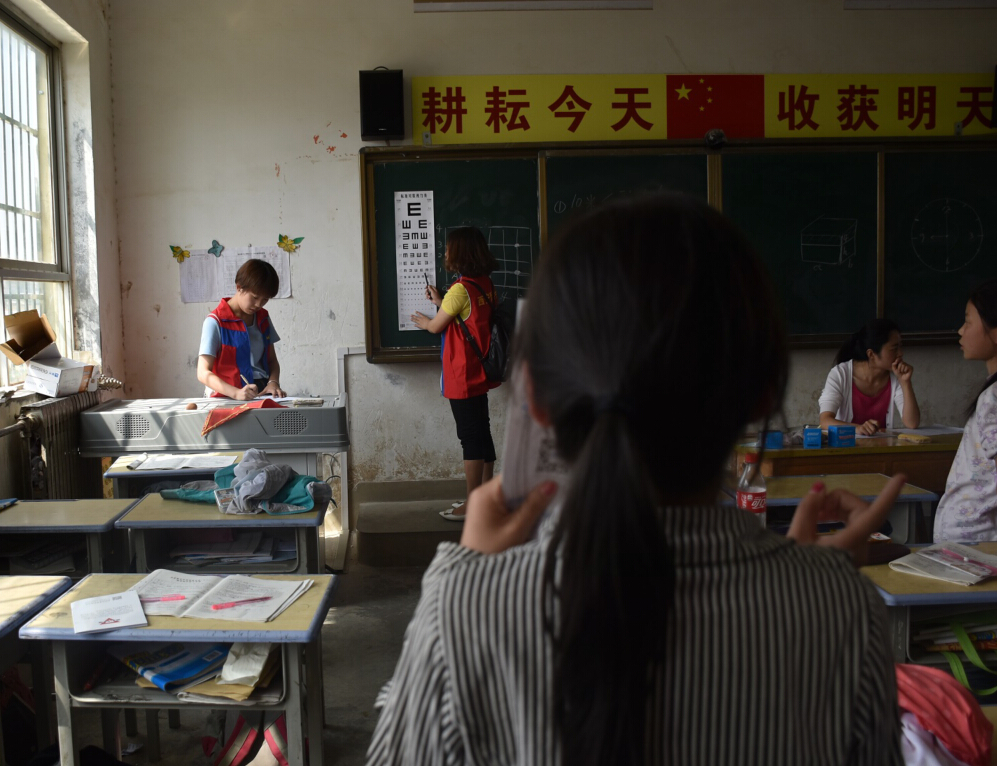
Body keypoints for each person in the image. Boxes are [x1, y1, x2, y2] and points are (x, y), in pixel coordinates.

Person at [369, 195, 903, 766]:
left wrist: (466, 584)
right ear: (764, 394)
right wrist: (808, 587)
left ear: (538, 401)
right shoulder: (842, 606)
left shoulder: (466, 609)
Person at [410, 227, 500, 522]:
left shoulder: (460, 289)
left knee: (470, 437)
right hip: (480, 370)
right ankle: (485, 500)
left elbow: (437, 326)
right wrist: (441, 302)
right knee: (482, 432)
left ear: (460, 252)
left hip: (462, 373)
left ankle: (474, 506)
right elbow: (465, 316)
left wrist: (426, 321)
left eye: (449, 248)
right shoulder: (483, 283)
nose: (445, 253)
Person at [933, 280, 997, 542]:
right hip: (973, 537)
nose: (961, 330)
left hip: (976, 540)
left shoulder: (994, 397)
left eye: (968, 322)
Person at [196, 259, 287, 400]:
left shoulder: (263, 318)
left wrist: (273, 382)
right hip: (225, 396)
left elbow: (272, 361)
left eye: (265, 299)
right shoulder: (215, 322)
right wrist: (235, 393)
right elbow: (203, 373)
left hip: (260, 392)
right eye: (255, 297)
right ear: (239, 288)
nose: (259, 304)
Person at [819, 319, 921, 435]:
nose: (900, 353)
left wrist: (905, 383)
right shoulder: (840, 374)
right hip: (847, 444)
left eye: (900, 347)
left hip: (881, 445)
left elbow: (912, 423)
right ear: (871, 354)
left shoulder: (896, 376)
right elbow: (825, 420)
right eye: (894, 349)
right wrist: (857, 428)